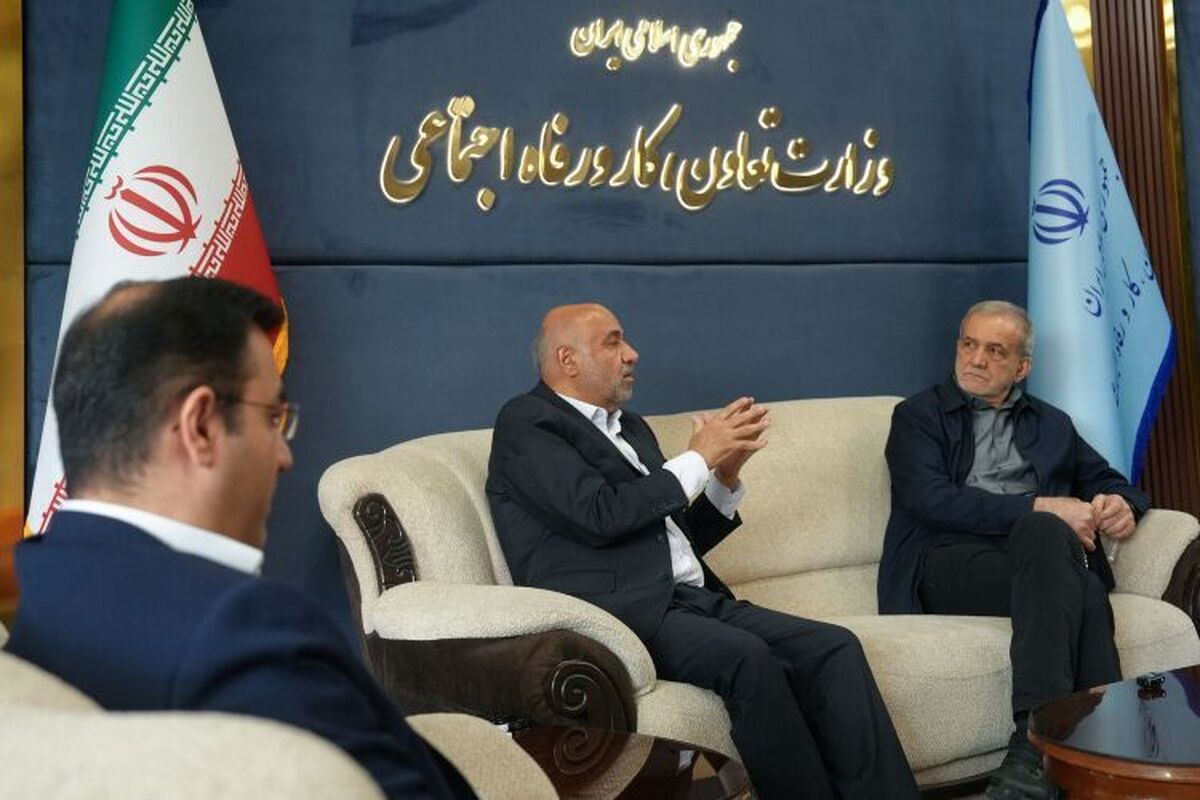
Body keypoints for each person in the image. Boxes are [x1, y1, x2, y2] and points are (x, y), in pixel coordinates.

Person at [4, 278, 474, 800]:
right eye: (273, 418)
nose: (284, 455)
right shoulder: (242, 631)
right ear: (201, 426)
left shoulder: (34, 586)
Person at [486, 303, 917, 800]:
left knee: (835, 647)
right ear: (568, 359)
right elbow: (600, 516)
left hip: (687, 599)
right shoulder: (528, 422)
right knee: (748, 659)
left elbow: (670, 538)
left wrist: (723, 475)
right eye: (613, 342)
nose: (632, 354)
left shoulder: (631, 428)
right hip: (617, 613)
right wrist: (697, 457)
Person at [878, 300, 1149, 800]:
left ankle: (1070, 767)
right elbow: (929, 499)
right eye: (969, 344)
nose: (976, 359)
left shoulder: (1052, 423)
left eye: (995, 351)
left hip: (1037, 561)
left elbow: (1108, 479)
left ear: (1021, 368)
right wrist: (1039, 507)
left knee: (1080, 584)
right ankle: (1059, 749)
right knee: (1064, 560)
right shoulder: (918, 416)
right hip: (944, 561)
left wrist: (1122, 504)